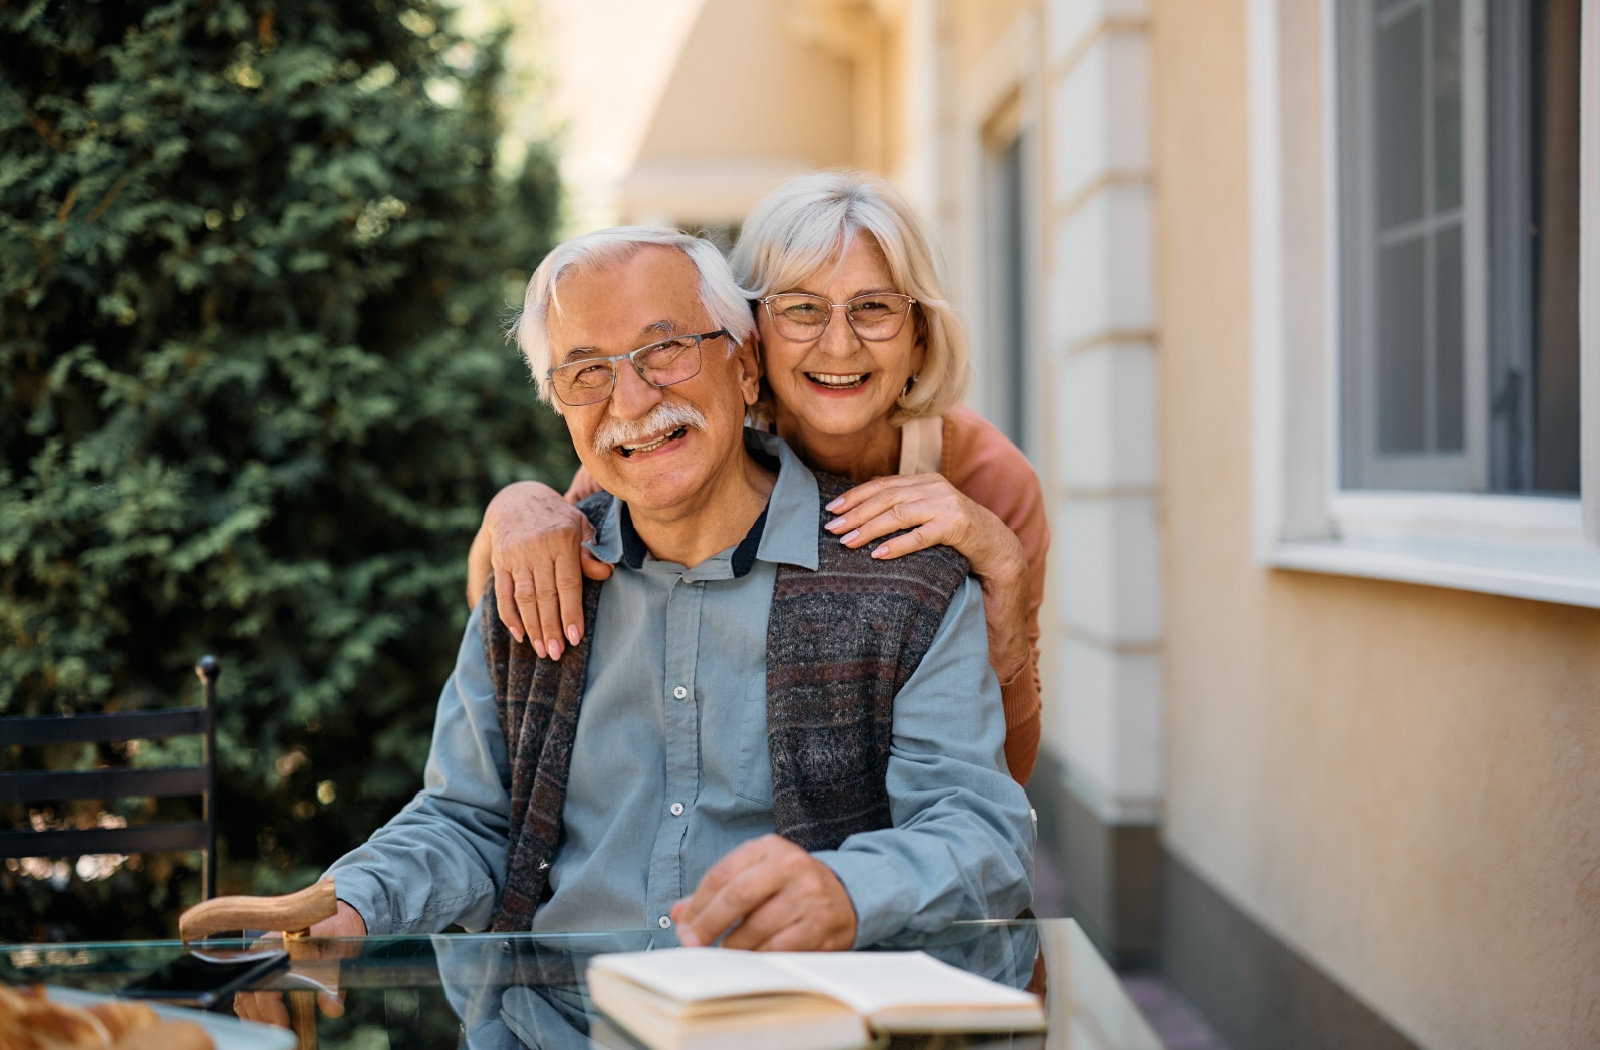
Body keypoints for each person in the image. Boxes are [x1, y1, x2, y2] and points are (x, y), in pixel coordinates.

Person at [275, 227, 1032, 955]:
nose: (630, 399)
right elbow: (467, 821)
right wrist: (352, 904)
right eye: (586, 371)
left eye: (663, 349)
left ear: (745, 368)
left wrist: (849, 892)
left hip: (785, 1024)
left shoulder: (904, 580)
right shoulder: (539, 575)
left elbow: (978, 833)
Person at [468, 170, 1048, 783]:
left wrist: (1004, 570)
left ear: (921, 339)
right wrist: (514, 505)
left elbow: (1001, 780)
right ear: (751, 336)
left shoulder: (987, 480)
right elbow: (506, 613)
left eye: (874, 308)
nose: (840, 345)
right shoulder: (688, 450)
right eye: (801, 308)